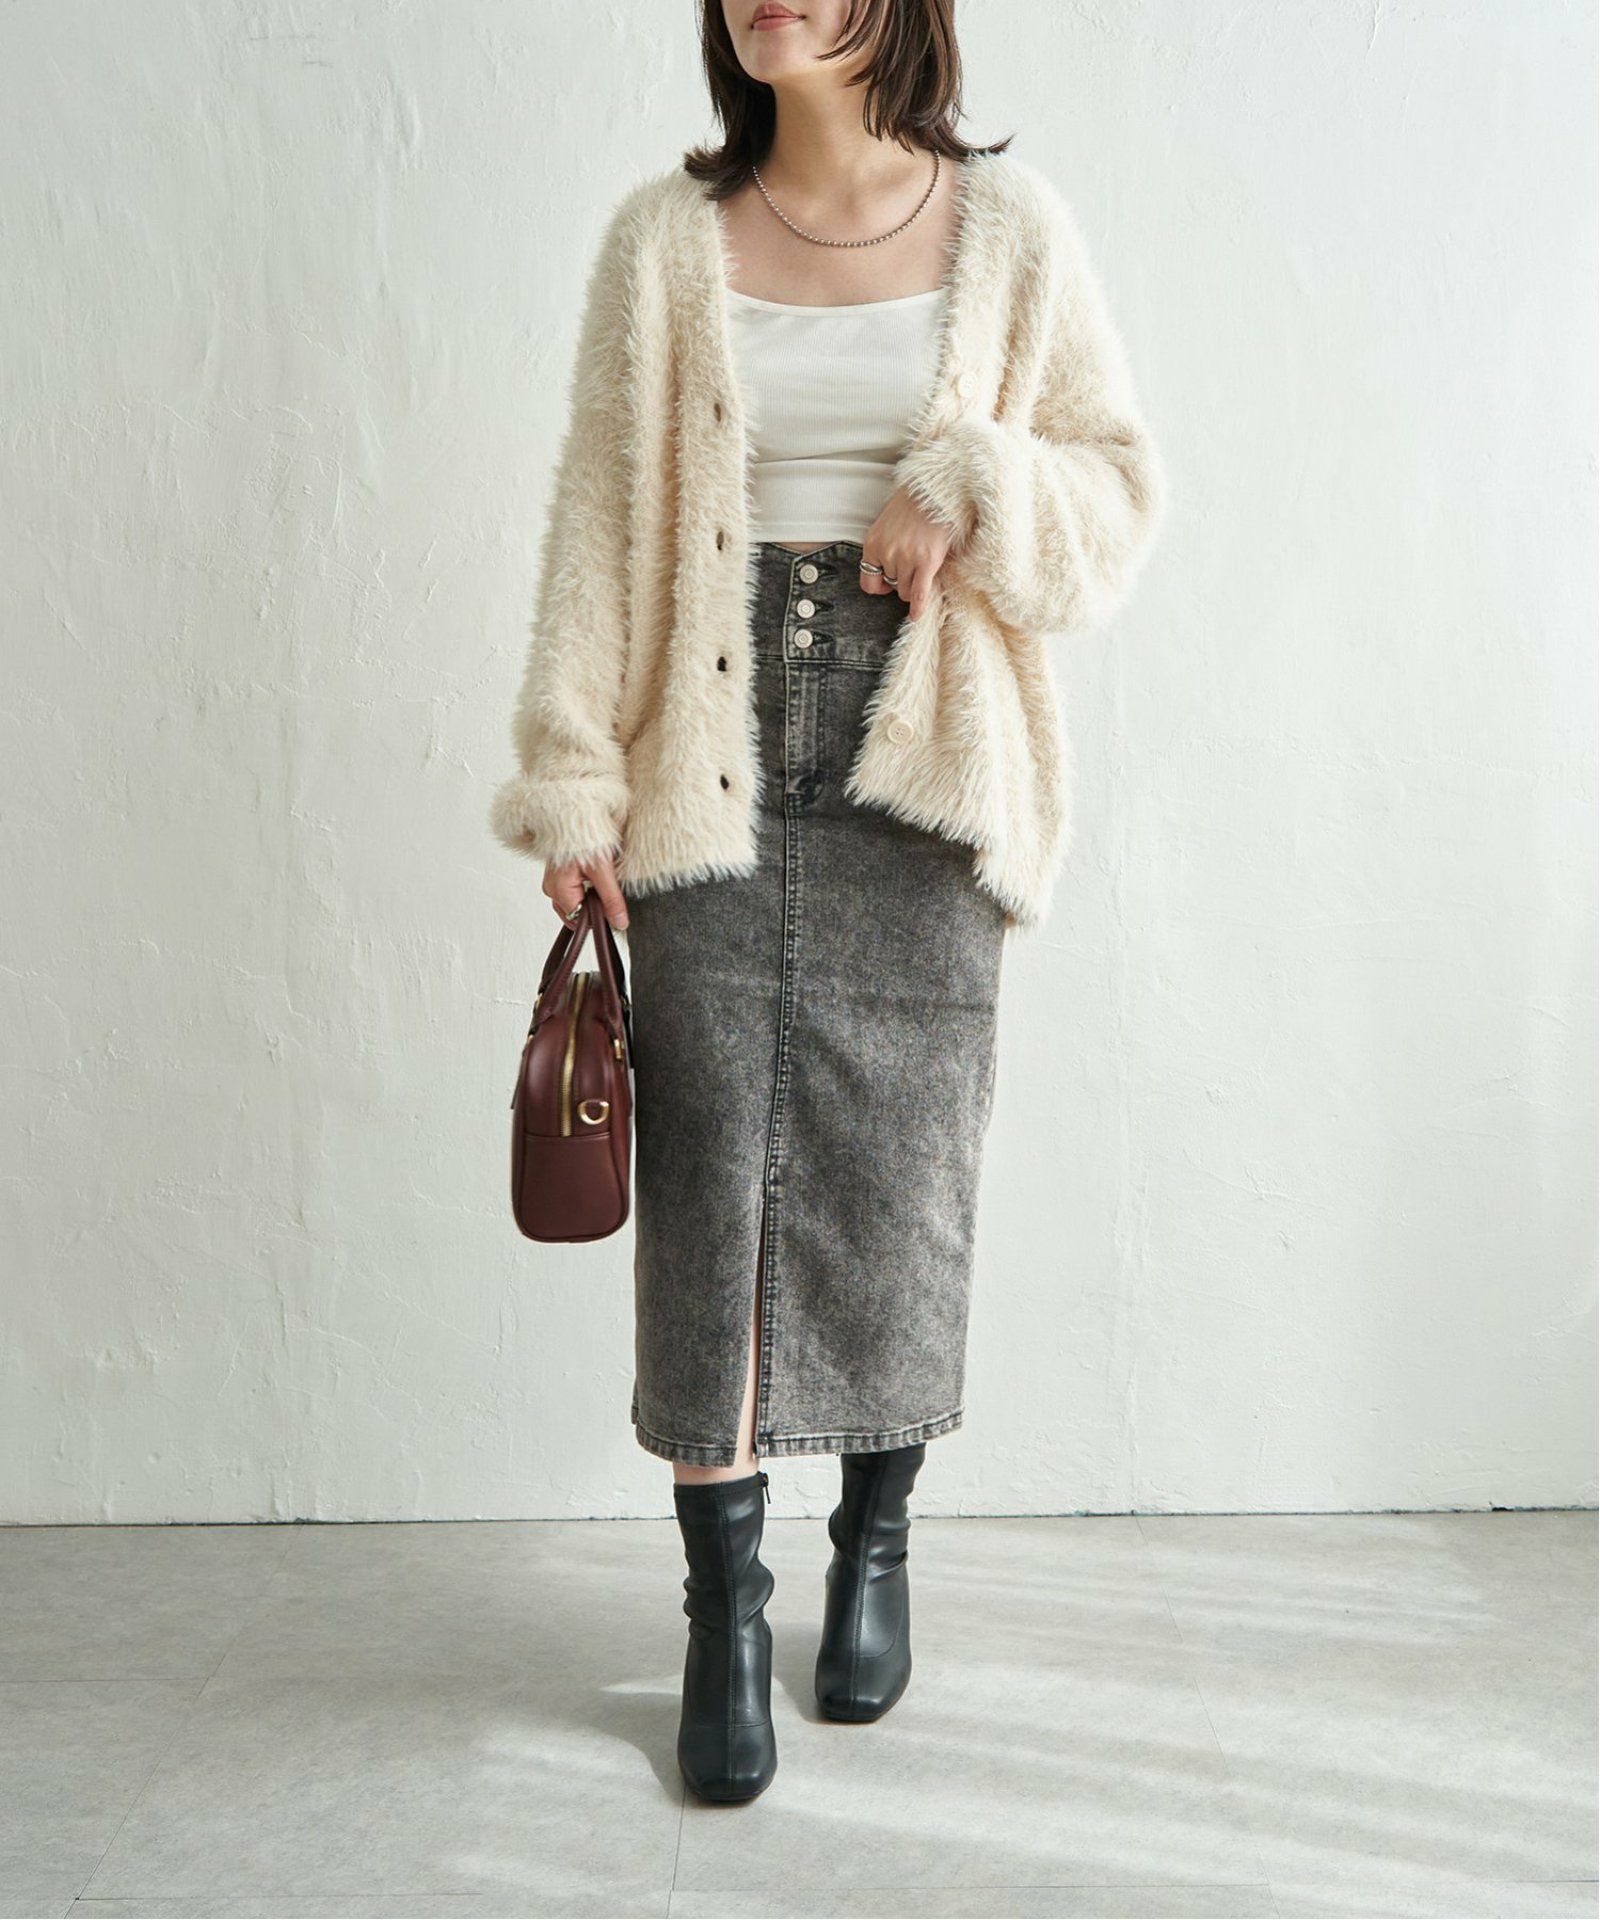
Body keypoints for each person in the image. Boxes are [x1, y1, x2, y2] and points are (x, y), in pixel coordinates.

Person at [489, 0, 1166, 1804]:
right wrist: (574, 776)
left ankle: (877, 1539)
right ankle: (724, 1611)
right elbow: (595, 531)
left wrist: (971, 480)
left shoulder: (1011, 232)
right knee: (706, 1185)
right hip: (704, 756)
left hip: (919, 757)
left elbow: (1115, 494)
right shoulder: (663, 240)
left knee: (896, 1174)